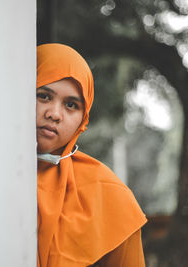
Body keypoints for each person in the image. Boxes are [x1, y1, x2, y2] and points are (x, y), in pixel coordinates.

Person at [36, 43, 147, 267]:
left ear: (83, 118)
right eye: (44, 96)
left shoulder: (110, 196)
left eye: (71, 105)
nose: (54, 114)